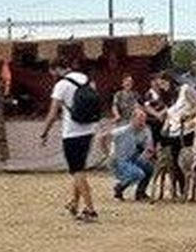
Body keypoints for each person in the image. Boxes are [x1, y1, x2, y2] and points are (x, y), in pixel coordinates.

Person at [39, 54, 103, 222]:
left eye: (52, 72)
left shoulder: (61, 85)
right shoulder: (85, 78)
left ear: (56, 69)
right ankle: (74, 203)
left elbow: (53, 113)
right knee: (79, 168)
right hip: (89, 129)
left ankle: (90, 209)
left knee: (77, 171)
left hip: (72, 132)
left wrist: (44, 132)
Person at [109, 105, 155, 201]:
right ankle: (119, 189)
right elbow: (103, 137)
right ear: (133, 119)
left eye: (144, 119)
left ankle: (140, 193)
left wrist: (147, 154)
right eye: (140, 119)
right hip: (119, 160)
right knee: (138, 173)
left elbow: (149, 147)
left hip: (133, 158)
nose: (142, 122)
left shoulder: (146, 131)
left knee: (149, 167)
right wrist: (107, 152)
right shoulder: (122, 131)